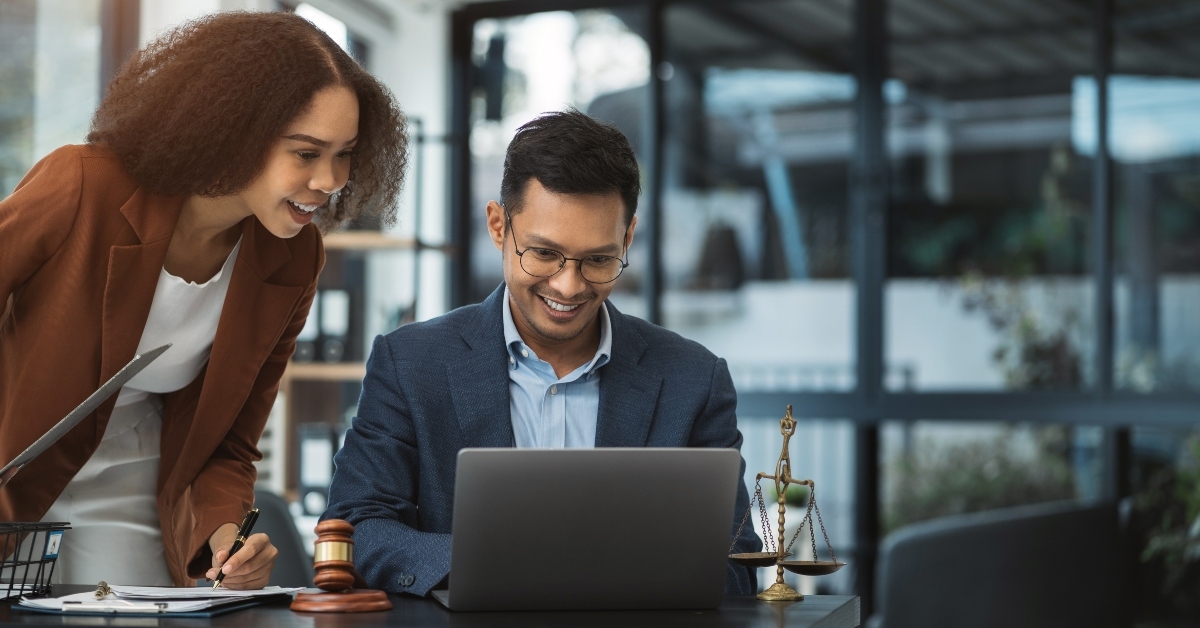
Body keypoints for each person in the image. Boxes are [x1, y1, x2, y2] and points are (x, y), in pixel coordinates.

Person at [0, 11, 407, 588]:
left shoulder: (293, 259)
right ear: (234, 131)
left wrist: (228, 538)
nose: (330, 180)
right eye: (306, 153)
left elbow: (231, 443)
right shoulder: (83, 185)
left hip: (136, 480)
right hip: (12, 467)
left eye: (344, 154)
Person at [325, 109, 761, 597]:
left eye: (598, 259)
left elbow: (736, 564)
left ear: (627, 238)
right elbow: (356, 524)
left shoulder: (693, 379)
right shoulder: (409, 363)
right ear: (498, 226)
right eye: (545, 253)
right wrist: (494, 563)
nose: (568, 285)